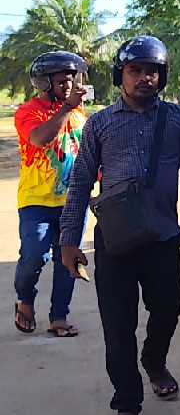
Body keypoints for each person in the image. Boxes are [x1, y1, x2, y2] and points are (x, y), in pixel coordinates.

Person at [59, 35, 180, 415]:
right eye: (136, 70)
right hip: (115, 242)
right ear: (120, 76)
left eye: (153, 71)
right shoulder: (101, 123)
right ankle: (126, 404)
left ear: (161, 77)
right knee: (118, 324)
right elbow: (79, 184)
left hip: (163, 237)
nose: (145, 77)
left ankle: (155, 360)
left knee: (168, 306)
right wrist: (68, 240)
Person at [13, 51, 89, 338]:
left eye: (71, 80)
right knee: (33, 256)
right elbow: (39, 139)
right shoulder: (28, 112)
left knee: (67, 260)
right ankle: (26, 301)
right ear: (45, 83)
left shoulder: (79, 114)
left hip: (72, 202)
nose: (69, 86)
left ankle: (59, 317)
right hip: (36, 200)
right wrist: (67, 108)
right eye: (62, 81)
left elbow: (84, 153)